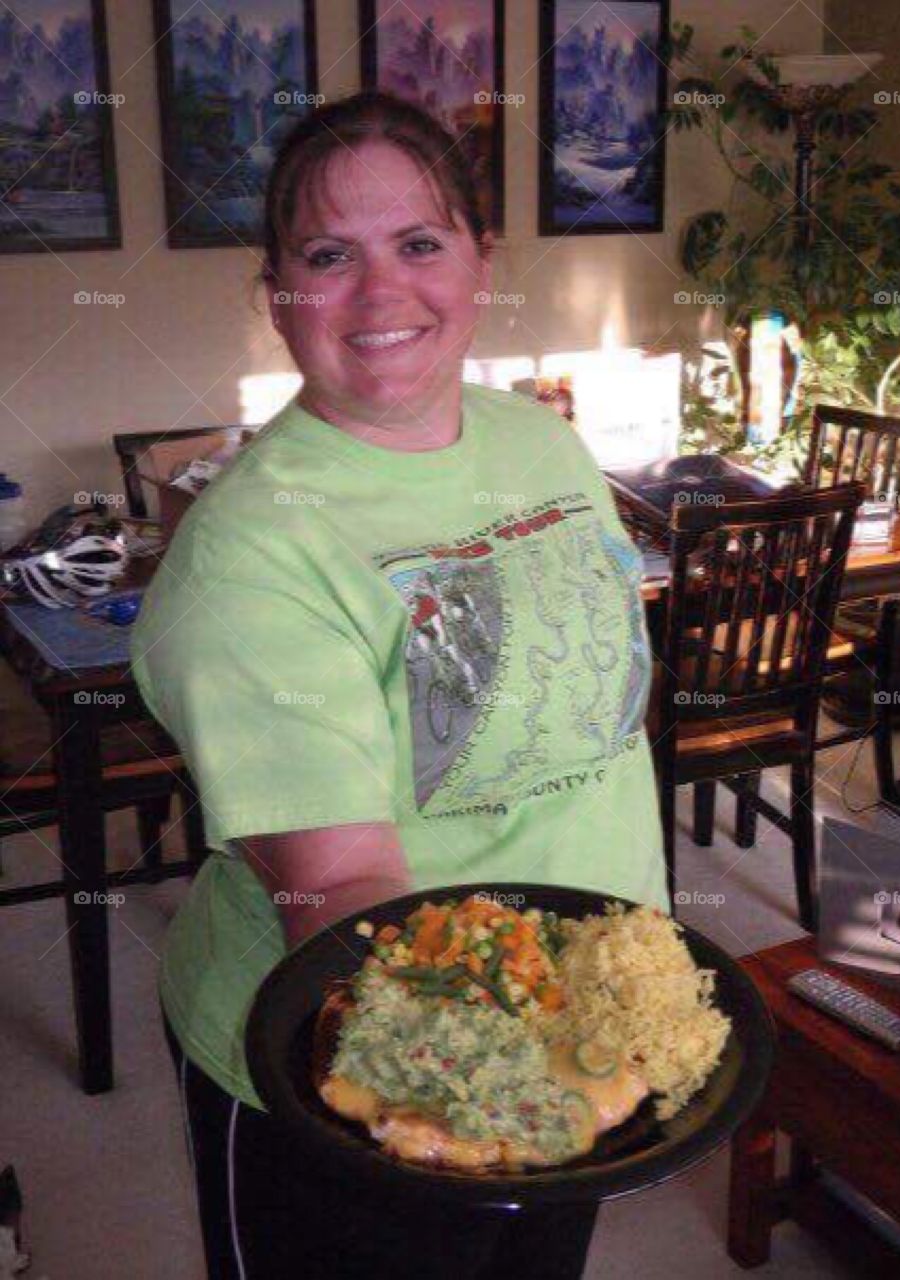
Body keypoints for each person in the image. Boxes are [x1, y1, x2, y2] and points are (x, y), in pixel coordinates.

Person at [132, 90, 668, 1280]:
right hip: (354, 1077)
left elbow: (595, 721)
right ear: (277, 289)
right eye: (331, 255)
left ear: (482, 256)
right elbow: (338, 889)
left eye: (420, 242)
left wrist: (625, 1019)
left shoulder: (534, 437)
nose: (383, 295)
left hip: (577, 1029)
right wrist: (500, 1100)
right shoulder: (249, 553)